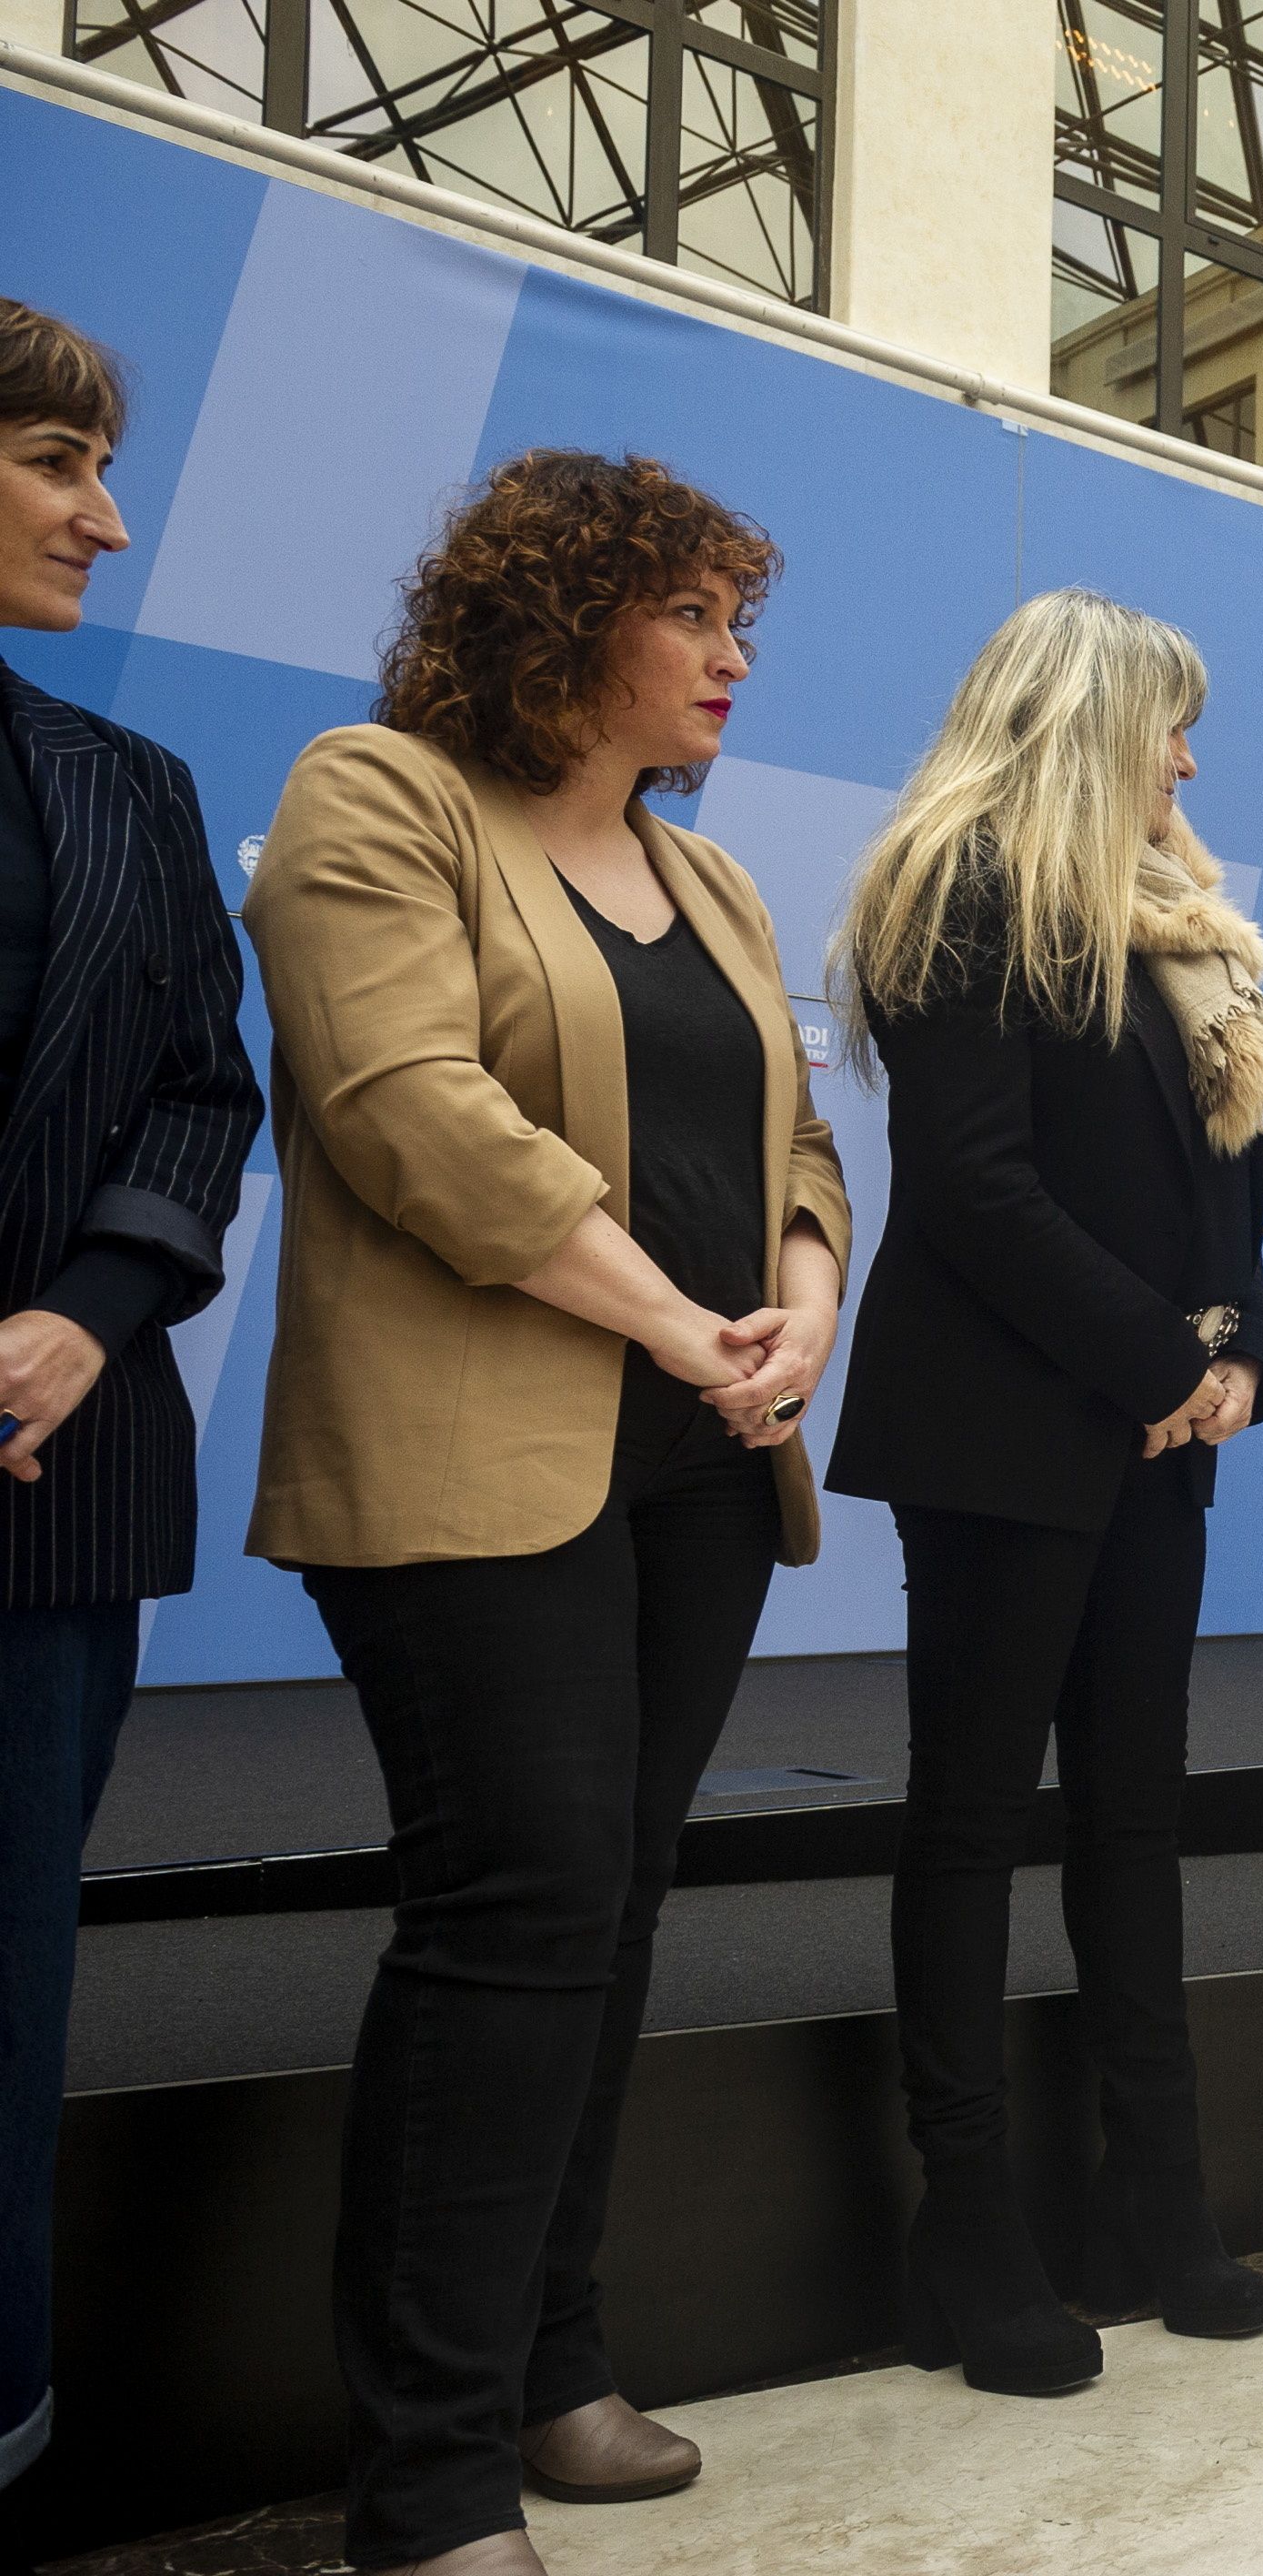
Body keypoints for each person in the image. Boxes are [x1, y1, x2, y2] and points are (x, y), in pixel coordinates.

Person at [242, 452, 848, 2576]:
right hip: (467, 1453)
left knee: (607, 1909)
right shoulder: (377, 796)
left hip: (696, 1466)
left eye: (734, 615)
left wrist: (794, 1303)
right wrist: (685, 1318)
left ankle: (553, 2366)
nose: (732, 656)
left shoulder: (723, 885)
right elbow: (415, 1114)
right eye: (693, 612)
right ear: (572, 617)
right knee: (514, 1911)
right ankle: (420, 2486)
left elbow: (803, 1144)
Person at [827, 589, 1263, 2397]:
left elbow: (1232, 1191)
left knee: (1133, 1819)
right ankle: (968, 2233)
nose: (1187, 759)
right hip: (1007, 1429)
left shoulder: (1182, 928)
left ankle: (1153, 2207)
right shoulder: (958, 883)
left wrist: (1238, 1348)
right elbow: (973, 1189)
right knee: (972, 1821)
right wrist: (1162, 1366)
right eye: (1166, 723)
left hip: (1156, 1429)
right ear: (1088, 721)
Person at [0, 300, 263, 2496]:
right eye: (53, 463)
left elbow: (200, 1094)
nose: (109, 512)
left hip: (47, 1489)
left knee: (3, 2013)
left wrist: (91, 1306)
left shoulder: (130, 788)